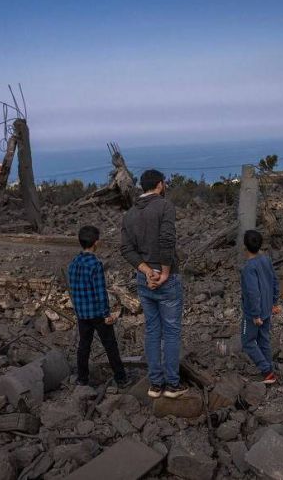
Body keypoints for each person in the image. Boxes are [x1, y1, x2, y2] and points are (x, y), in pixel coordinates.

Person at [120, 169, 188, 399]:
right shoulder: (164, 206)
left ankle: (155, 384)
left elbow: (126, 249)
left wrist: (147, 271)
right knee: (170, 332)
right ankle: (172, 385)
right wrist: (164, 272)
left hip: (144, 278)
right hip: (166, 277)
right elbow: (167, 239)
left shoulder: (129, 214)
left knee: (151, 331)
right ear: (160, 185)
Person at [68, 225, 128, 388]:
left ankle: (82, 378)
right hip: (97, 313)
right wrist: (106, 314)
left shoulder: (73, 263)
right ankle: (121, 378)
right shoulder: (95, 264)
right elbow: (100, 292)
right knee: (110, 345)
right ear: (96, 242)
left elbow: (73, 289)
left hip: (82, 314)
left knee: (84, 346)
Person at [240, 229, 280, 384]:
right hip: (267, 308)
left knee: (247, 342)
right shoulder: (266, 260)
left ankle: (266, 370)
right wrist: (274, 302)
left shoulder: (248, 268)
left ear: (245, 246)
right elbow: (275, 281)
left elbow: (253, 292)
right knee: (263, 339)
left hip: (253, 313)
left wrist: (255, 315)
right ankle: (269, 369)